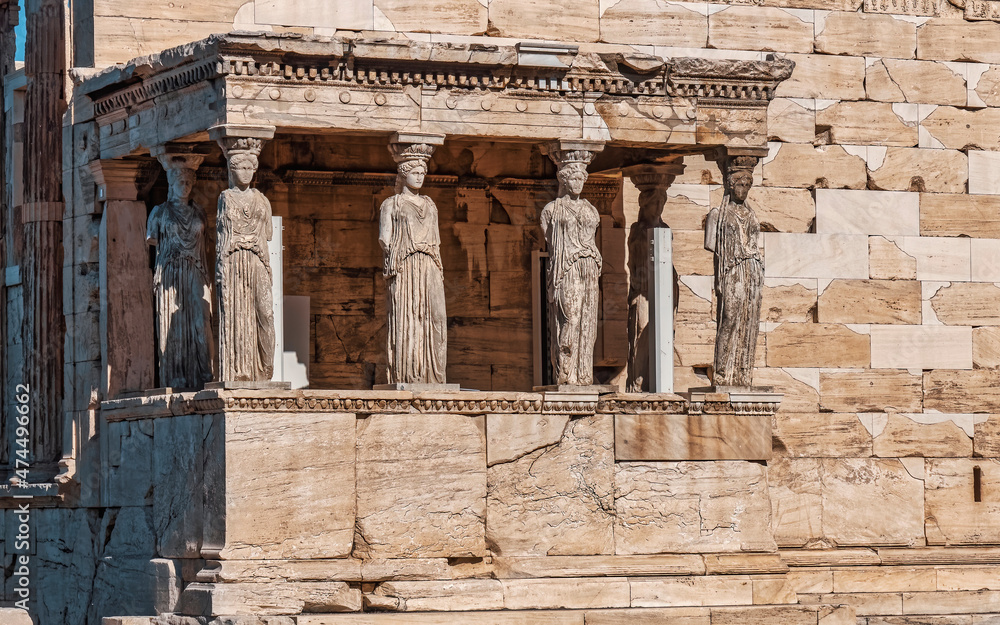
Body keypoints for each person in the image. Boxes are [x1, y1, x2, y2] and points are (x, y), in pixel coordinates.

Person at [379, 144, 448, 385]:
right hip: (406, 266)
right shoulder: (391, 204)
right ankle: (408, 374)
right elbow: (385, 239)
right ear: (403, 174)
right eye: (415, 172)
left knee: (436, 316)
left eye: (422, 172)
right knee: (408, 316)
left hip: (429, 264)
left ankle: (433, 374)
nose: (420, 176)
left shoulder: (430, 204)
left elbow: (436, 240)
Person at [541, 153, 602, 386]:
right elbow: (548, 235)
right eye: (573, 179)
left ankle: (583, 373)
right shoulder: (551, 210)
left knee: (588, 322)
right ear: (564, 180)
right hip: (566, 267)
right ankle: (566, 373)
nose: (578, 184)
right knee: (571, 318)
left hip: (589, 265)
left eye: (581, 179)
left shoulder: (591, 209)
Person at [216, 145, 275, 381]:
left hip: (258, 259)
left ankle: (265, 369)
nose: (246, 172)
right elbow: (222, 236)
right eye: (241, 167)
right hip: (234, 259)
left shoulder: (263, 200)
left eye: (251, 167)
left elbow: (268, 233)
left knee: (266, 313)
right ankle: (239, 371)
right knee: (236, 313)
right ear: (232, 170)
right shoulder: (225, 198)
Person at [704, 156, 763, 388]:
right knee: (729, 316)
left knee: (749, 319)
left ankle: (741, 371)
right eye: (740, 184)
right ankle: (721, 369)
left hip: (752, 270)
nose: (744, 190)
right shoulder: (717, 215)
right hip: (731, 269)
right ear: (730, 184)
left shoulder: (752, 215)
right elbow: (711, 243)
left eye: (747, 185)